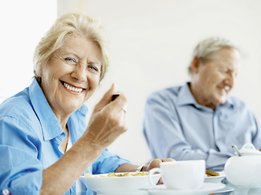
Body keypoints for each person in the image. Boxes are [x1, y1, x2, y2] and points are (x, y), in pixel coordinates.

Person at [0, 13, 172, 195]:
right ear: (41, 63)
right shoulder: (13, 120)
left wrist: (146, 172)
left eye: (92, 67)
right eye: (70, 60)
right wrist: (92, 141)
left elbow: (102, 162)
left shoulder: (75, 119)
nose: (80, 76)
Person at [143, 37, 261, 171]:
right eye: (224, 71)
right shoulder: (161, 102)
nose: (231, 83)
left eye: (235, 74)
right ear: (196, 64)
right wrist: (243, 159)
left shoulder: (243, 111)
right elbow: (175, 159)